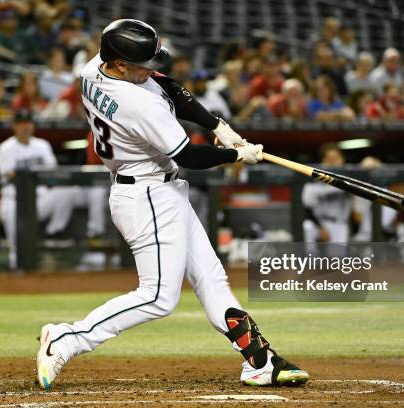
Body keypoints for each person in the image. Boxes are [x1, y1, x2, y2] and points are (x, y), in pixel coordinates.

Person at [36, 19, 309, 390]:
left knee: (211, 277)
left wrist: (216, 123)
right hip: (145, 195)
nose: (150, 69)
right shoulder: (135, 104)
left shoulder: (92, 68)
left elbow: (167, 85)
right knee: (158, 297)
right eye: (141, 64)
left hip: (161, 191)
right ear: (118, 64)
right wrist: (236, 155)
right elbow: (189, 158)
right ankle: (68, 338)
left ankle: (260, 361)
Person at [0, 110, 78, 270]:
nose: (25, 127)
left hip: (40, 200)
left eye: (28, 123)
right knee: (17, 250)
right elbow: (9, 175)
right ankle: (17, 267)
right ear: (14, 127)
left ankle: (54, 231)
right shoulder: (5, 148)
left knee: (68, 190)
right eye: (21, 124)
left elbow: (54, 172)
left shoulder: (42, 145)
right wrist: (36, 172)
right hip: (15, 203)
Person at [302, 143, 352, 244]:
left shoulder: (350, 176)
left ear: (342, 160)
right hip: (320, 222)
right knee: (307, 226)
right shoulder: (314, 180)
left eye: (336, 158)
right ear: (323, 161)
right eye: (329, 159)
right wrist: (321, 228)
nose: (333, 162)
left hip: (339, 224)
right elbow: (307, 208)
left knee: (337, 258)